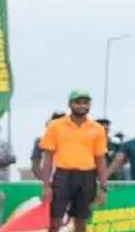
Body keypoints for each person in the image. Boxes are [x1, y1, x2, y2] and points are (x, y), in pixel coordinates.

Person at [39, 92, 108, 232]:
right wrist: (46, 185)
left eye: (85, 103)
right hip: (63, 175)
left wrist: (103, 188)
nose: (81, 106)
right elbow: (48, 158)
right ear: (70, 104)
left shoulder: (97, 129)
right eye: (77, 102)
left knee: (81, 219)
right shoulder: (55, 126)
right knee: (55, 219)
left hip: (87, 176)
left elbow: (100, 160)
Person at [31, 112, 66, 177]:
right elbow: (35, 163)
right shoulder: (40, 141)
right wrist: (44, 179)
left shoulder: (73, 142)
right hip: (48, 178)